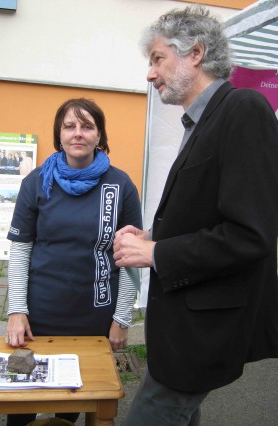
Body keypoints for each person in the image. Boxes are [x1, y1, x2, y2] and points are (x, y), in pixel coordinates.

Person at [113, 6, 278, 426]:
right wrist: (154, 233)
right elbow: (211, 213)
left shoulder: (244, 108)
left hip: (202, 333)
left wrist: (156, 253)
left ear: (196, 53)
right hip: (184, 330)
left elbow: (250, 235)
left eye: (157, 59)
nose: (150, 75)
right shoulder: (203, 119)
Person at [5, 98, 142, 426]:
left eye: (87, 126)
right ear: (59, 134)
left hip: (94, 319)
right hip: (39, 317)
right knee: (21, 404)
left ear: (99, 135)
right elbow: (21, 250)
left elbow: (131, 259)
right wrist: (15, 311)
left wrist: (121, 319)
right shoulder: (37, 182)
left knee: (71, 402)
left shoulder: (120, 186)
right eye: (69, 126)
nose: (77, 134)